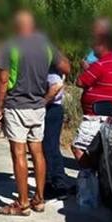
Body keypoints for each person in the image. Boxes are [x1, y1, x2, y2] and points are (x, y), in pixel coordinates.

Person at [0, 11, 70, 216]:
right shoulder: (45, 45)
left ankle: (23, 203)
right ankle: (39, 199)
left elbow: (2, 80)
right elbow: (66, 66)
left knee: (18, 153)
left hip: (17, 105)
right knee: (37, 152)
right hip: (38, 106)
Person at [73, 32, 112, 172]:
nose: (92, 47)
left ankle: (89, 178)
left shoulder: (100, 64)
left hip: (94, 117)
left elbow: (80, 81)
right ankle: (97, 177)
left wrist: (87, 70)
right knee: (98, 152)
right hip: (108, 117)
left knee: (79, 148)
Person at [43, 68, 72, 200]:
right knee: (47, 147)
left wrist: (42, 102)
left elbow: (57, 86)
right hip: (51, 107)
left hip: (51, 108)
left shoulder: (51, 69)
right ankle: (52, 182)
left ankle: (56, 184)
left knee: (50, 147)